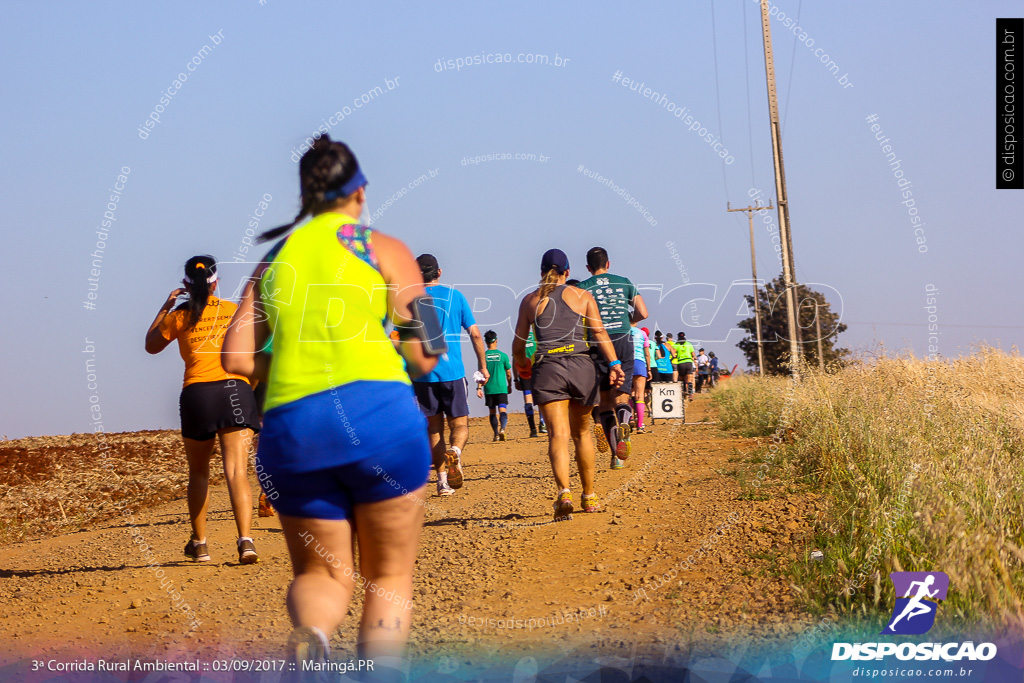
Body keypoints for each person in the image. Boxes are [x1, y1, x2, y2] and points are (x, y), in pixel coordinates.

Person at [221, 135, 440, 673]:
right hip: (383, 417)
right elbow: (428, 352)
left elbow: (235, 355)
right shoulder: (385, 248)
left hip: (295, 428)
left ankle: (314, 632)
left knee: (321, 576)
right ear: (359, 191)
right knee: (388, 575)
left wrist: (285, 370)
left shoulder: (274, 261)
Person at [145, 256, 261, 566]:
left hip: (197, 393)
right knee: (236, 472)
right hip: (235, 390)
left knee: (198, 472)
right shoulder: (233, 310)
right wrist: (251, 387)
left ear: (186, 285)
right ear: (216, 282)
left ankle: (200, 544)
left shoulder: (180, 315)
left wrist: (166, 307)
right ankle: (246, 541)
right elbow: (256, 349)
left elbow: (151, 345)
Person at [512, 249, 624, 519]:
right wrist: (615, 364)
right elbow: (599, 332)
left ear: (541, 272)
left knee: (557, 435)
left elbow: (518, 344)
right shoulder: (582, 296)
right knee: (582, 433)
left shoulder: (530, 301)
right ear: (568, 272)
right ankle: (590, 496)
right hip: (581, 367)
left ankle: (564, 492)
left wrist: (522, 364)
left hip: (548, 368)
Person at [412, 254, 489, 497]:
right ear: (439, 272)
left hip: (423, 375)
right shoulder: (456, 297)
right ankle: (455, 452)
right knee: (460, 424)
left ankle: (442, 482)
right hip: (453, 372)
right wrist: (482, 366)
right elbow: (476, 334)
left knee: (434, 430)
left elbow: (398, 339)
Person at [578, 247, 647, 467]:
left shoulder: (583, 288)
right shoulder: (624, 282)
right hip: (624, 339)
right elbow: (643, 312)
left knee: (605, 402)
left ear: (588, 268)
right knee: (621, 396)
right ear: (608, 264)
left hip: (598, 341)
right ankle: (626, 420)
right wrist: (631, 321)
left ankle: (616, 456)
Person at [477, 330, 512, 441]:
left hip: (489, 388)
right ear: (496, 340)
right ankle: (502, 429)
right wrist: (509, 385)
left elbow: (480, 374)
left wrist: (478, 388)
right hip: (501, 387)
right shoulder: (503, 356)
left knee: (492, 412)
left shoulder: (483, 357)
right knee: (503, 410)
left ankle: (496, 434)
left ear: (486, 342)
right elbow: (508, 373)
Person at [513, 329, 547, 438]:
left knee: (528, 400)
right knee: (541, 397)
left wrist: (516, 379)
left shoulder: (519, 338)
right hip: (538, 371)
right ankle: (542, 423)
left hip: (524, 373)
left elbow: (515, 360)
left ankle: (533, 429)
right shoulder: (538, 337)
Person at [629, 323, 653, 433]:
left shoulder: (623, 331)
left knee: (627, 394)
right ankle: (640, 425)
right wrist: (649, 369)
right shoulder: (642, 333)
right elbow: (647, 353)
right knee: (640, 395)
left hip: (626, 363)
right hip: (639, 362)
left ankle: (630, 418)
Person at [674, 332, 697, 399]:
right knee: (689, 379)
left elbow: (673, 353)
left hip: (681, 363)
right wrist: (694, 358)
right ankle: (690, 394)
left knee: (682, 379)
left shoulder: (676, 344)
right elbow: (693, 354)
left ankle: (684, 392)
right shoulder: (689, 344)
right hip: (688, 363)